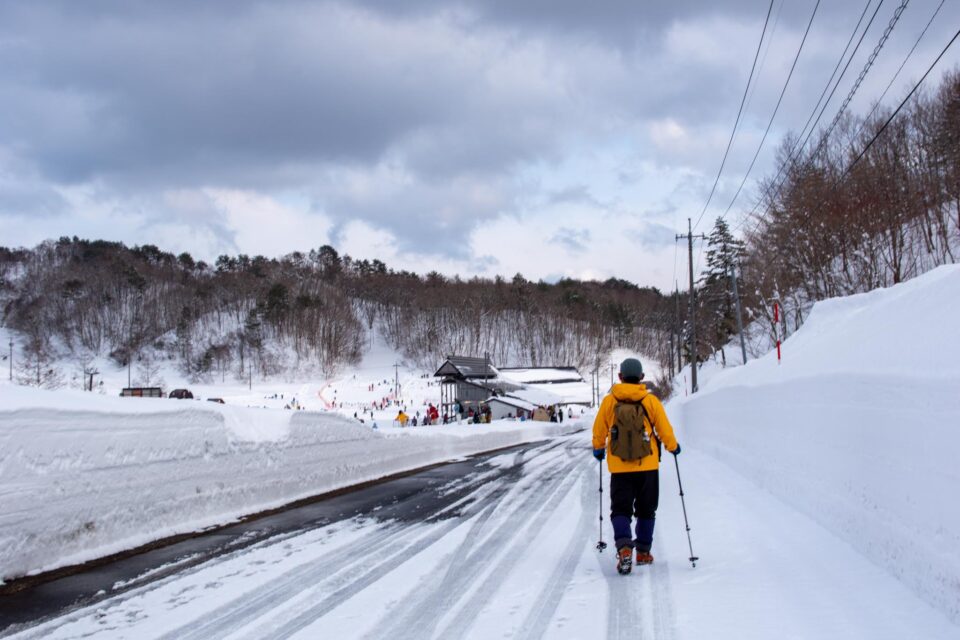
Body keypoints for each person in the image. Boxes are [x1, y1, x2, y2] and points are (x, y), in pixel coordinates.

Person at [591, 357, 680, 575]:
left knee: (620, 509)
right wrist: (673, 446)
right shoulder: (650, 401)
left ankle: (624, 548)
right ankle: (642, 552)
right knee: (646, 509)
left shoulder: (610, 401)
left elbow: (599, 428)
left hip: (619, 467)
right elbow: (664, 429)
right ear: (641, 377)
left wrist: (598, 448)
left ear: (620, 376)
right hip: (647, 465)